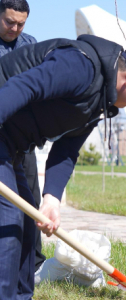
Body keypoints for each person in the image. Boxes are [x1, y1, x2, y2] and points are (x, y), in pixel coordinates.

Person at [0, 34, 126, 299]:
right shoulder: (80, 66)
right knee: (9, 217)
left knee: (27, 221)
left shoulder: (99, 100)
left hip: (13, 143)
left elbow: (67, 149)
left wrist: (52, 199)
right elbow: (24, 86)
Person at [0, 0, 47, 274]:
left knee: (30, 201)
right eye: (9, 22)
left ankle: (33, 264)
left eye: (20, 23)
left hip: (23, 135)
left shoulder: (30, 44)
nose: (15, 28)